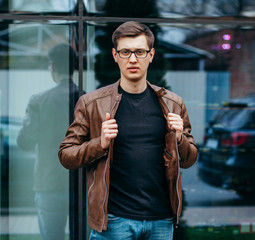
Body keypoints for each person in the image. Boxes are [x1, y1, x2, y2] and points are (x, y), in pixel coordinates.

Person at [59, 21, 198, 240]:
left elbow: (189, 160)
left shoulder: (173, 103)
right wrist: (100, 143)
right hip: (114, 221)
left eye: (140, 52)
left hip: (161, 222)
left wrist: (180, 138)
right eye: (125, 52)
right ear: (115, 55)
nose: (132, 59)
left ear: (151, 55)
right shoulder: (92, 103)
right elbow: (66, 155)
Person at [17, 43, 79, 240]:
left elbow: (25, 141)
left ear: (52, 66)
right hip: (82, 183)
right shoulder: (89, 99)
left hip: (49, 182)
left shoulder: (39, 100)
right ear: (75, 67)